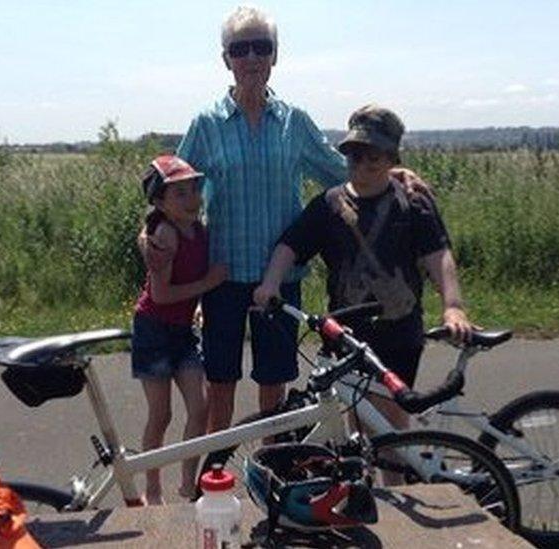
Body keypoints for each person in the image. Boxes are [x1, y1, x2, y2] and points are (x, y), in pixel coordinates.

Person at [143, 6, 434, 433]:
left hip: (280, 278)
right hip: (222, 276)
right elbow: (172, 191)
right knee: (220, 384)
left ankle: (271, 474)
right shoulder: (206, 123)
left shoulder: (293, 122)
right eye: (240, 49)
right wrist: (147, 233)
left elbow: (339, 170)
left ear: (275, 56)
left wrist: (391, 173)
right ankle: (213, 481)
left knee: (273, 384)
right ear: (225, 59)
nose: (252, 58)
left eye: (262, 47)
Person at [252, 105, 474, 433]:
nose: (364, 165)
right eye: (355, 156)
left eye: (374, 157)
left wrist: (453, 307)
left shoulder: (412, 203)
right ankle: (371, 483)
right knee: (359, 420)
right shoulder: (328, 205)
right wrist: (270, 283)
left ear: (391, 159)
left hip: (399, 330)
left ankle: (397, 481)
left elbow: (438, 255)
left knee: (392, 420)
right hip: (346, 334)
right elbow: (290, 246)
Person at [131, 154, 227, 504]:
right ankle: (152, 487)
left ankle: (188, 482)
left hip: (182, 332)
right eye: (179, 194)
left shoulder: (198, 230)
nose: (191, 200)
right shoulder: (166, 234)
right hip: (154, 330)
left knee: (200, 409)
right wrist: (208, 284)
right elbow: (161, 294)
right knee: (161, 414)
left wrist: (198, 302)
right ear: (160, 202)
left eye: (192, 191)